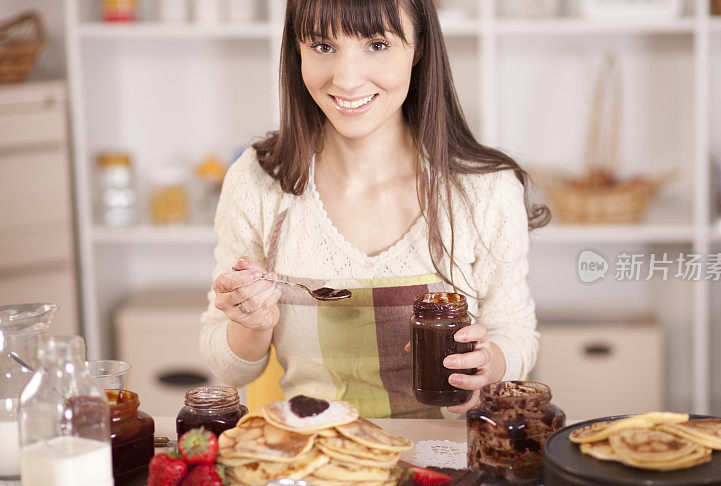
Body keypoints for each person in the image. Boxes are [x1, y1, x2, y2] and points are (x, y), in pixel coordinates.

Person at [200, 0, 549, 419]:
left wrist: (489, 363)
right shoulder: (258, 180)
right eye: (323, 46)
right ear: (296, 51)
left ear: (418, 48)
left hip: (446, 464)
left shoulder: (484, 187)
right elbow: (227, 368)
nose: (346, 79)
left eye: (377, 44)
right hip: (315, 462)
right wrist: (249, 323)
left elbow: (516, 332)